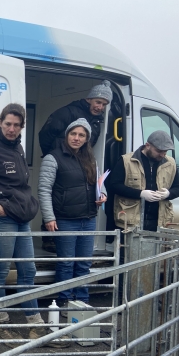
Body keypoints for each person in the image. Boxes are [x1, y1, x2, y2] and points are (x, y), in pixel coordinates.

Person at [0, 103, 67, 348]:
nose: (11, 129)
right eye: (7, 124)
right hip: (0, 218)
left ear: (22, 127)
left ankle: (35, 325)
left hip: (20, 219)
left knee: (28, 271)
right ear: (0, 122)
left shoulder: (18, 148)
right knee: (0, 272)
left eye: (16, 125)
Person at [38, 118, 106, 312]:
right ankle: (64, 301)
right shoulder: (53, 157)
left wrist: (103, 195)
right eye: (73, 134)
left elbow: (100, 183)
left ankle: (82, 301)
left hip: (88, 218)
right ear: (67, 135)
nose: (76, 138)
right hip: (65, 220)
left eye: (81, 135)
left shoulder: (90, 159)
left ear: (86, 139)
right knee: (66, 263)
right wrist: (49, 217)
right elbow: (43, 189)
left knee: (84, 263)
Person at [38, 80, 112, 252]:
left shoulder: (97, 121)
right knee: (55, 193)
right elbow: (45, 134)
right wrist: (56, 154)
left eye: (104, 104)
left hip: (80, 166)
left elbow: (97, 176)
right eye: (98, 102)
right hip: (61, 161)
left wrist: (102, 193)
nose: (100, 107)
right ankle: (48, 239)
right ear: (89, 99)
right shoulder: (68, 112)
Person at [107, 130, 179, 232]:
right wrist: (140, 194)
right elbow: (114, 186)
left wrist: (168, 194)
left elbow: (178, 188)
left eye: (165, 151)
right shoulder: (126, 161)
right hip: (129, 222)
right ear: (147, 145)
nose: (162, 155)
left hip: (159, 222)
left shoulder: (171, 163)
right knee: (129, 248)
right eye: (159, 151)